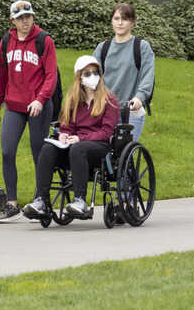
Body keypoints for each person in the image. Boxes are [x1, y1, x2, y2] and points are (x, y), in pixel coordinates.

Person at [23, 55, 121, 221]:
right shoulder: (73, 101)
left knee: (78, 147)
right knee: (47, 148)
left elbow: (107, 132)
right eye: (87, 73)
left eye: (95, 72)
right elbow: (67, 126)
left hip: (99, 147)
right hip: (75, 147)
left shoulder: (110, 101)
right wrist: (64, 136)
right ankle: (41, 200)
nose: (93, 77)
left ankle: (79, 201)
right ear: (80, 78)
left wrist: (80, 138)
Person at [0, 0, 59, 223]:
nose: (25, 21)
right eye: (20, 18)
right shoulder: (6, 41)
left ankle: (40, 202)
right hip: (14, 105)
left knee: (39, 153)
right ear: (12, 20)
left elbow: (51, 76)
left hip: (38, 106)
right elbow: (1, 76)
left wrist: (40, 99)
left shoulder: (43, 40)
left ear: (33, 18)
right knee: (7, 152)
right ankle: (12, 205)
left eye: (28, 16)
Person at [93, 3, 155, 144]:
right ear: (112, 21)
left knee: (125, 154)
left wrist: (140, 97)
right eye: (116, 18)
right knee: (105, 154)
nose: (120, 23)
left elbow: (147, 76)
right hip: (105, 109)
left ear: (133, 22)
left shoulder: (141, 47)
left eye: (125, 19)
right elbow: (93, 78)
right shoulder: (103, 48)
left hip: (131, 110)